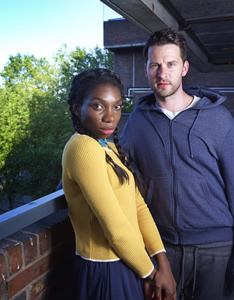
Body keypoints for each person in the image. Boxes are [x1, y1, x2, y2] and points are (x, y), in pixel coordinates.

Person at [120, 28, 234, 299]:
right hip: (163, 248)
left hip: (216, 248)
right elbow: (114, 163)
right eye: (154, 65)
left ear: (184, 67)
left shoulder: (219, 119)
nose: (162, 73)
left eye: (170, 64)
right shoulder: (137, 123)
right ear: (146, 69)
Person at [62, 68, 176, 300]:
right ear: (77, 109)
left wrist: (162, 261)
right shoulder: (82, 147)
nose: (110, 116)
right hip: (106, 270)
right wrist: (153, 274)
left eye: (117, 106)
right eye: (98, 106)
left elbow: (139, 208)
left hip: (131, 262)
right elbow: (115, 229)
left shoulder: (108, 147)